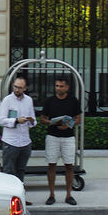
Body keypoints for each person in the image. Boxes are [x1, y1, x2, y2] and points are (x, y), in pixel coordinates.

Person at [39, 76, 82, 206]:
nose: (58, 88)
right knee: (51, 165)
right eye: (57, 86)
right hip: (52, 136)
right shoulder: (49, 101)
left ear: (67, 87)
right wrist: (52, 122)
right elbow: (42, 119)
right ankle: (51, 195)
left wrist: (69, 125)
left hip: (68, 137)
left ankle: (69, 195)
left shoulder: (73, 101)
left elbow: (78, 119)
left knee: (69, 165)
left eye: (61, 86)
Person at [0, 76, 37, 195]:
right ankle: (9, 198)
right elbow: (2, 120)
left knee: (21, 170)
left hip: (25, 141)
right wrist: (16, 121)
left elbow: (34, 120)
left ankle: (20, 197)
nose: (16, 89)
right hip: (11, 142)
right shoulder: (7, 100)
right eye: (15, 86)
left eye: (19, 87)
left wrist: (30, 121)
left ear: (25, 88)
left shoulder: (29, 100)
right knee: (9, 171)